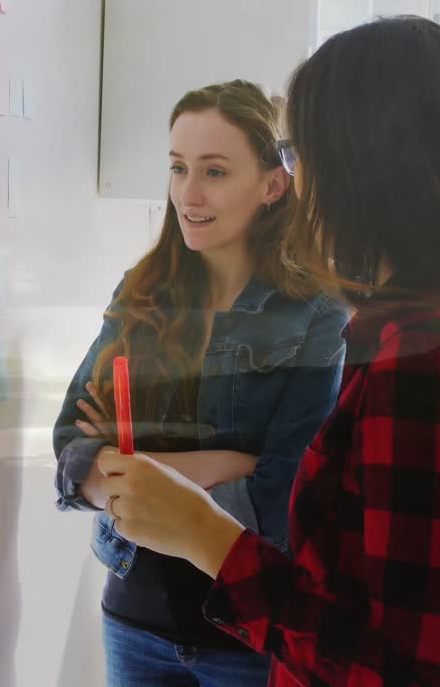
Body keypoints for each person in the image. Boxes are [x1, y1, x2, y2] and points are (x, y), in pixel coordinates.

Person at [98, 17, 440, 686]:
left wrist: (206, 535)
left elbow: (402, 670)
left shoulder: (425, 364)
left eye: (298, 156)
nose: (296, 182)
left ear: (362, 169)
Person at [52, 79, 349, 687]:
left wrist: (129, 468)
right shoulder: (141, 291)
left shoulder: (317, 312)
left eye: (214, 171)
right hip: (132, 622)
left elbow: (283, 497)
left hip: (248, 639)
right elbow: (69, 452)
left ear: (272, 185)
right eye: (178, 167)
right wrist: (226, 465)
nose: (188, 194)